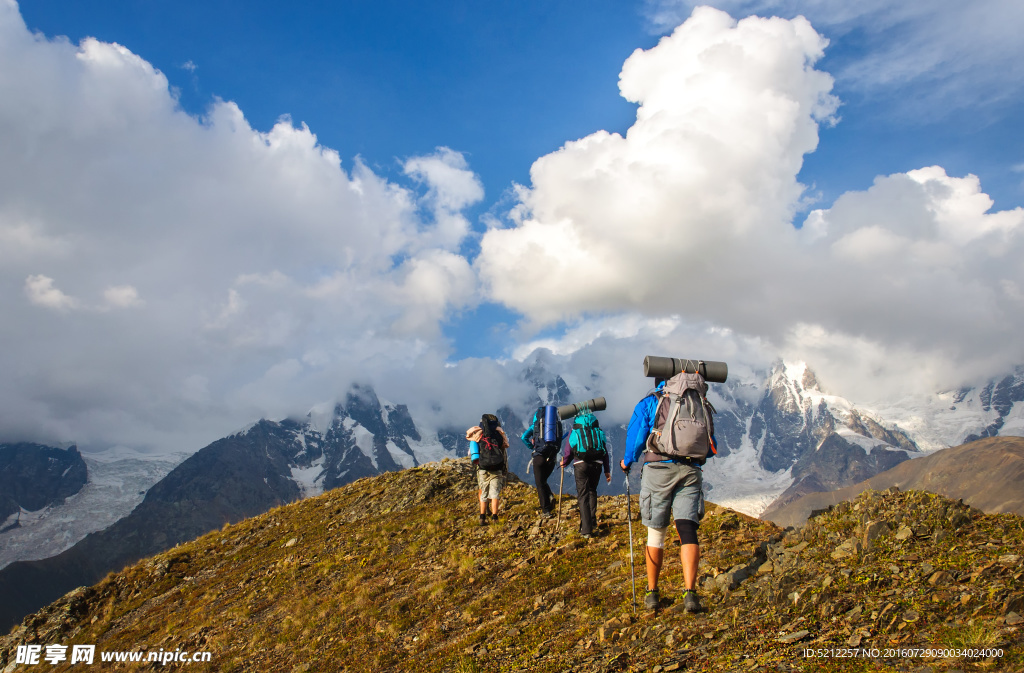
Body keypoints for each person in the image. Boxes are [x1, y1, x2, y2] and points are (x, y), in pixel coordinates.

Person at [620, 378, 711, 613]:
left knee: (656, 532)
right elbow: (710, 443)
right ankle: (690, 593)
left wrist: (627, 460)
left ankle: (652, 593)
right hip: (691, 470)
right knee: (687, 529)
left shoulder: (652, 401)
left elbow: (638, 437)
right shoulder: (697, 401)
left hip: (658, 469)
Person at [560, 409, 611, 538]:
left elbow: (569, 449)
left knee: (583, 495)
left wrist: (564, 462)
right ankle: (592, 521)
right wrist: (606, 470)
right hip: (597, 464)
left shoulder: (575, 430)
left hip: (581, 464)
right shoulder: (597, 431)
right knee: (592, 491)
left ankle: (586, 530)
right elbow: (604, 451)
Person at [467, 413, 509, 526]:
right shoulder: (498, 435)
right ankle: (495, 518)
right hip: (497, 468)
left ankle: (482, 517)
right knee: (495, 493)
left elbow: (471, 453)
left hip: (483, 468)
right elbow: (503, 451)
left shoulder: (478, 435)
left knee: (483, 492)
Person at [521, 405, 562, 518]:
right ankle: (550, 496)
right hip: (552, 458)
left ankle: (546, 510)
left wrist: (532, 447)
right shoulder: (556, 425)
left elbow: (524, 437)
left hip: (539, 456)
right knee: (543, 480)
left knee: (539, 483)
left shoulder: (535, 426)